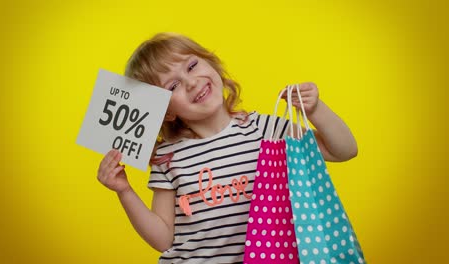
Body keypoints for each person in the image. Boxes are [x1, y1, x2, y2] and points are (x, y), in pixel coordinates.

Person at [97, 32, 358, 264]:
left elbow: (342, 150)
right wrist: (124, 191)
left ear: (212, 62)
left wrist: (316, 110)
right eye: (173, 86)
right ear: (165, 113)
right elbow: (163, 239)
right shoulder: (169, 157)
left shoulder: (266, 130)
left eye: (191, 65)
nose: (191, 82)